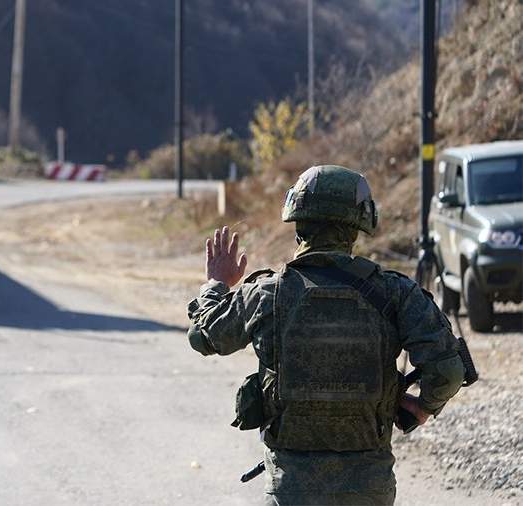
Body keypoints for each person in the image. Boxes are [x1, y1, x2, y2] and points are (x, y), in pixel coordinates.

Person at [186, 165, 466, 506]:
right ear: (360, 223)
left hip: (291, 489)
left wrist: (217, 285)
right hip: (369, 488)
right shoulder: (397, 293)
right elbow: (448, 370)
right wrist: (422, 408)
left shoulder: (266, 294)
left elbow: (204, 337)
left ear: (297, 220)